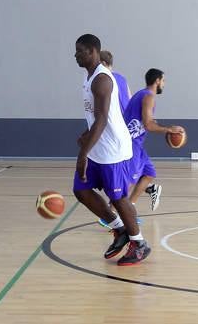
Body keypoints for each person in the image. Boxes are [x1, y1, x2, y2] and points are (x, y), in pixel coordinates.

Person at [72, 34, 151, 266]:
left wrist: (82, 154)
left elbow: (103, 119)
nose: (75, 55)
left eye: (80, 51)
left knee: (117, 198)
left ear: (93, 51)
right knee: (81, 190)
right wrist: (87, 138)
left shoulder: (102, 80)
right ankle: (120, 229)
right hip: (98, 145)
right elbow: (96, 119)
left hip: (112, 150)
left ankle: (139, 243)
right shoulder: (89, 78)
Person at [123, 68, 184, 211]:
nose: (164, 84)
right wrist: (169, 129)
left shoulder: (141, 94)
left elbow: (145, 120)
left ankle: (130, 208)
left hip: (137, 143)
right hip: (130, 144)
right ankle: (111, 214)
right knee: (128, 181)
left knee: (149, 173)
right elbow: (148, 125)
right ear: (157, 81)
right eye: (163, 80)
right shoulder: (149, 97)